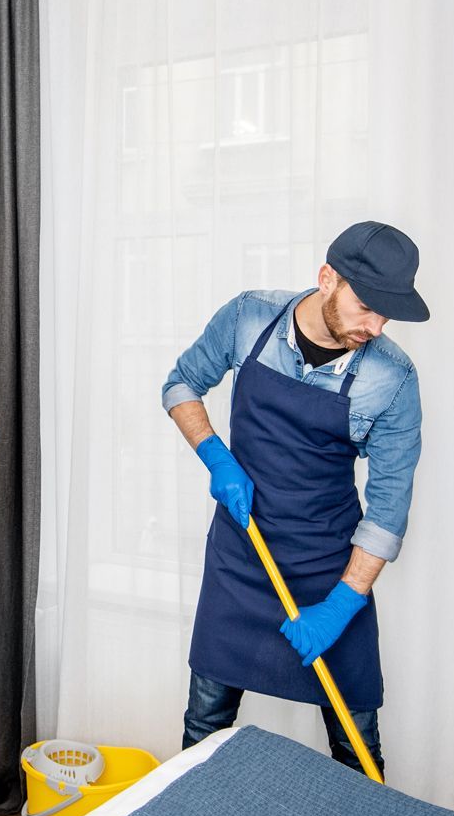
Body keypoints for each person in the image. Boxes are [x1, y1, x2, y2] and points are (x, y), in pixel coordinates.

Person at [164, 221, 427, 775]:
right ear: (327, 278)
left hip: (330, 567)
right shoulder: (249, 317)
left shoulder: (393, 379)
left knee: (356, 746)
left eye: (387, 314)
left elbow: (386, 511)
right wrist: (216, 455)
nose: (375, 326)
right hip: (241, 557)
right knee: (204, 729)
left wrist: (340, 607)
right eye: (366, 307)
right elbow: (181, 383)